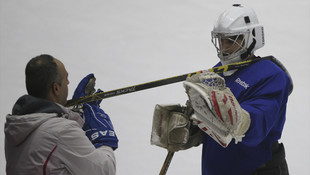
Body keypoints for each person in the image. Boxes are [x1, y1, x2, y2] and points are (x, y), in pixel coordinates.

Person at [151, 4, 291, 175]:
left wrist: (238, 118)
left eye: (232, 40)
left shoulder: (271, 75)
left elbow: (258, 125)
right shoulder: (218, 71)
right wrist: (191, 128)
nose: (225, 47)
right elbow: (214, 125)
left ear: (252, 37)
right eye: (221, 40)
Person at [4, 54, 118, 175]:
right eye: (66, 78)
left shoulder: (18, 125)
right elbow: (104, 170)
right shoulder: (61, 131)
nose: (68, 82)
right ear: (56, 88)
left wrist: (75, 114)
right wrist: (103, 137)